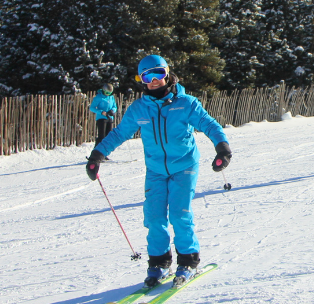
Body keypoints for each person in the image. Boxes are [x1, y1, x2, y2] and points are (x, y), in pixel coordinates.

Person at [85, 55, 232, 288]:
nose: (154, 81)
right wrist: (98, 154)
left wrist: (222, 147)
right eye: (147, 76)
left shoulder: (186, 103)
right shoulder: (140, 108)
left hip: (184, 166)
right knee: (154, 217)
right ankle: (160, 263)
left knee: (179, 214)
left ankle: (188, 261)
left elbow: (209, 124)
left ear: (167, 73)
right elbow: (119, 133)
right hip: (155, 170)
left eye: (158, 74)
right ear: (141, 79)